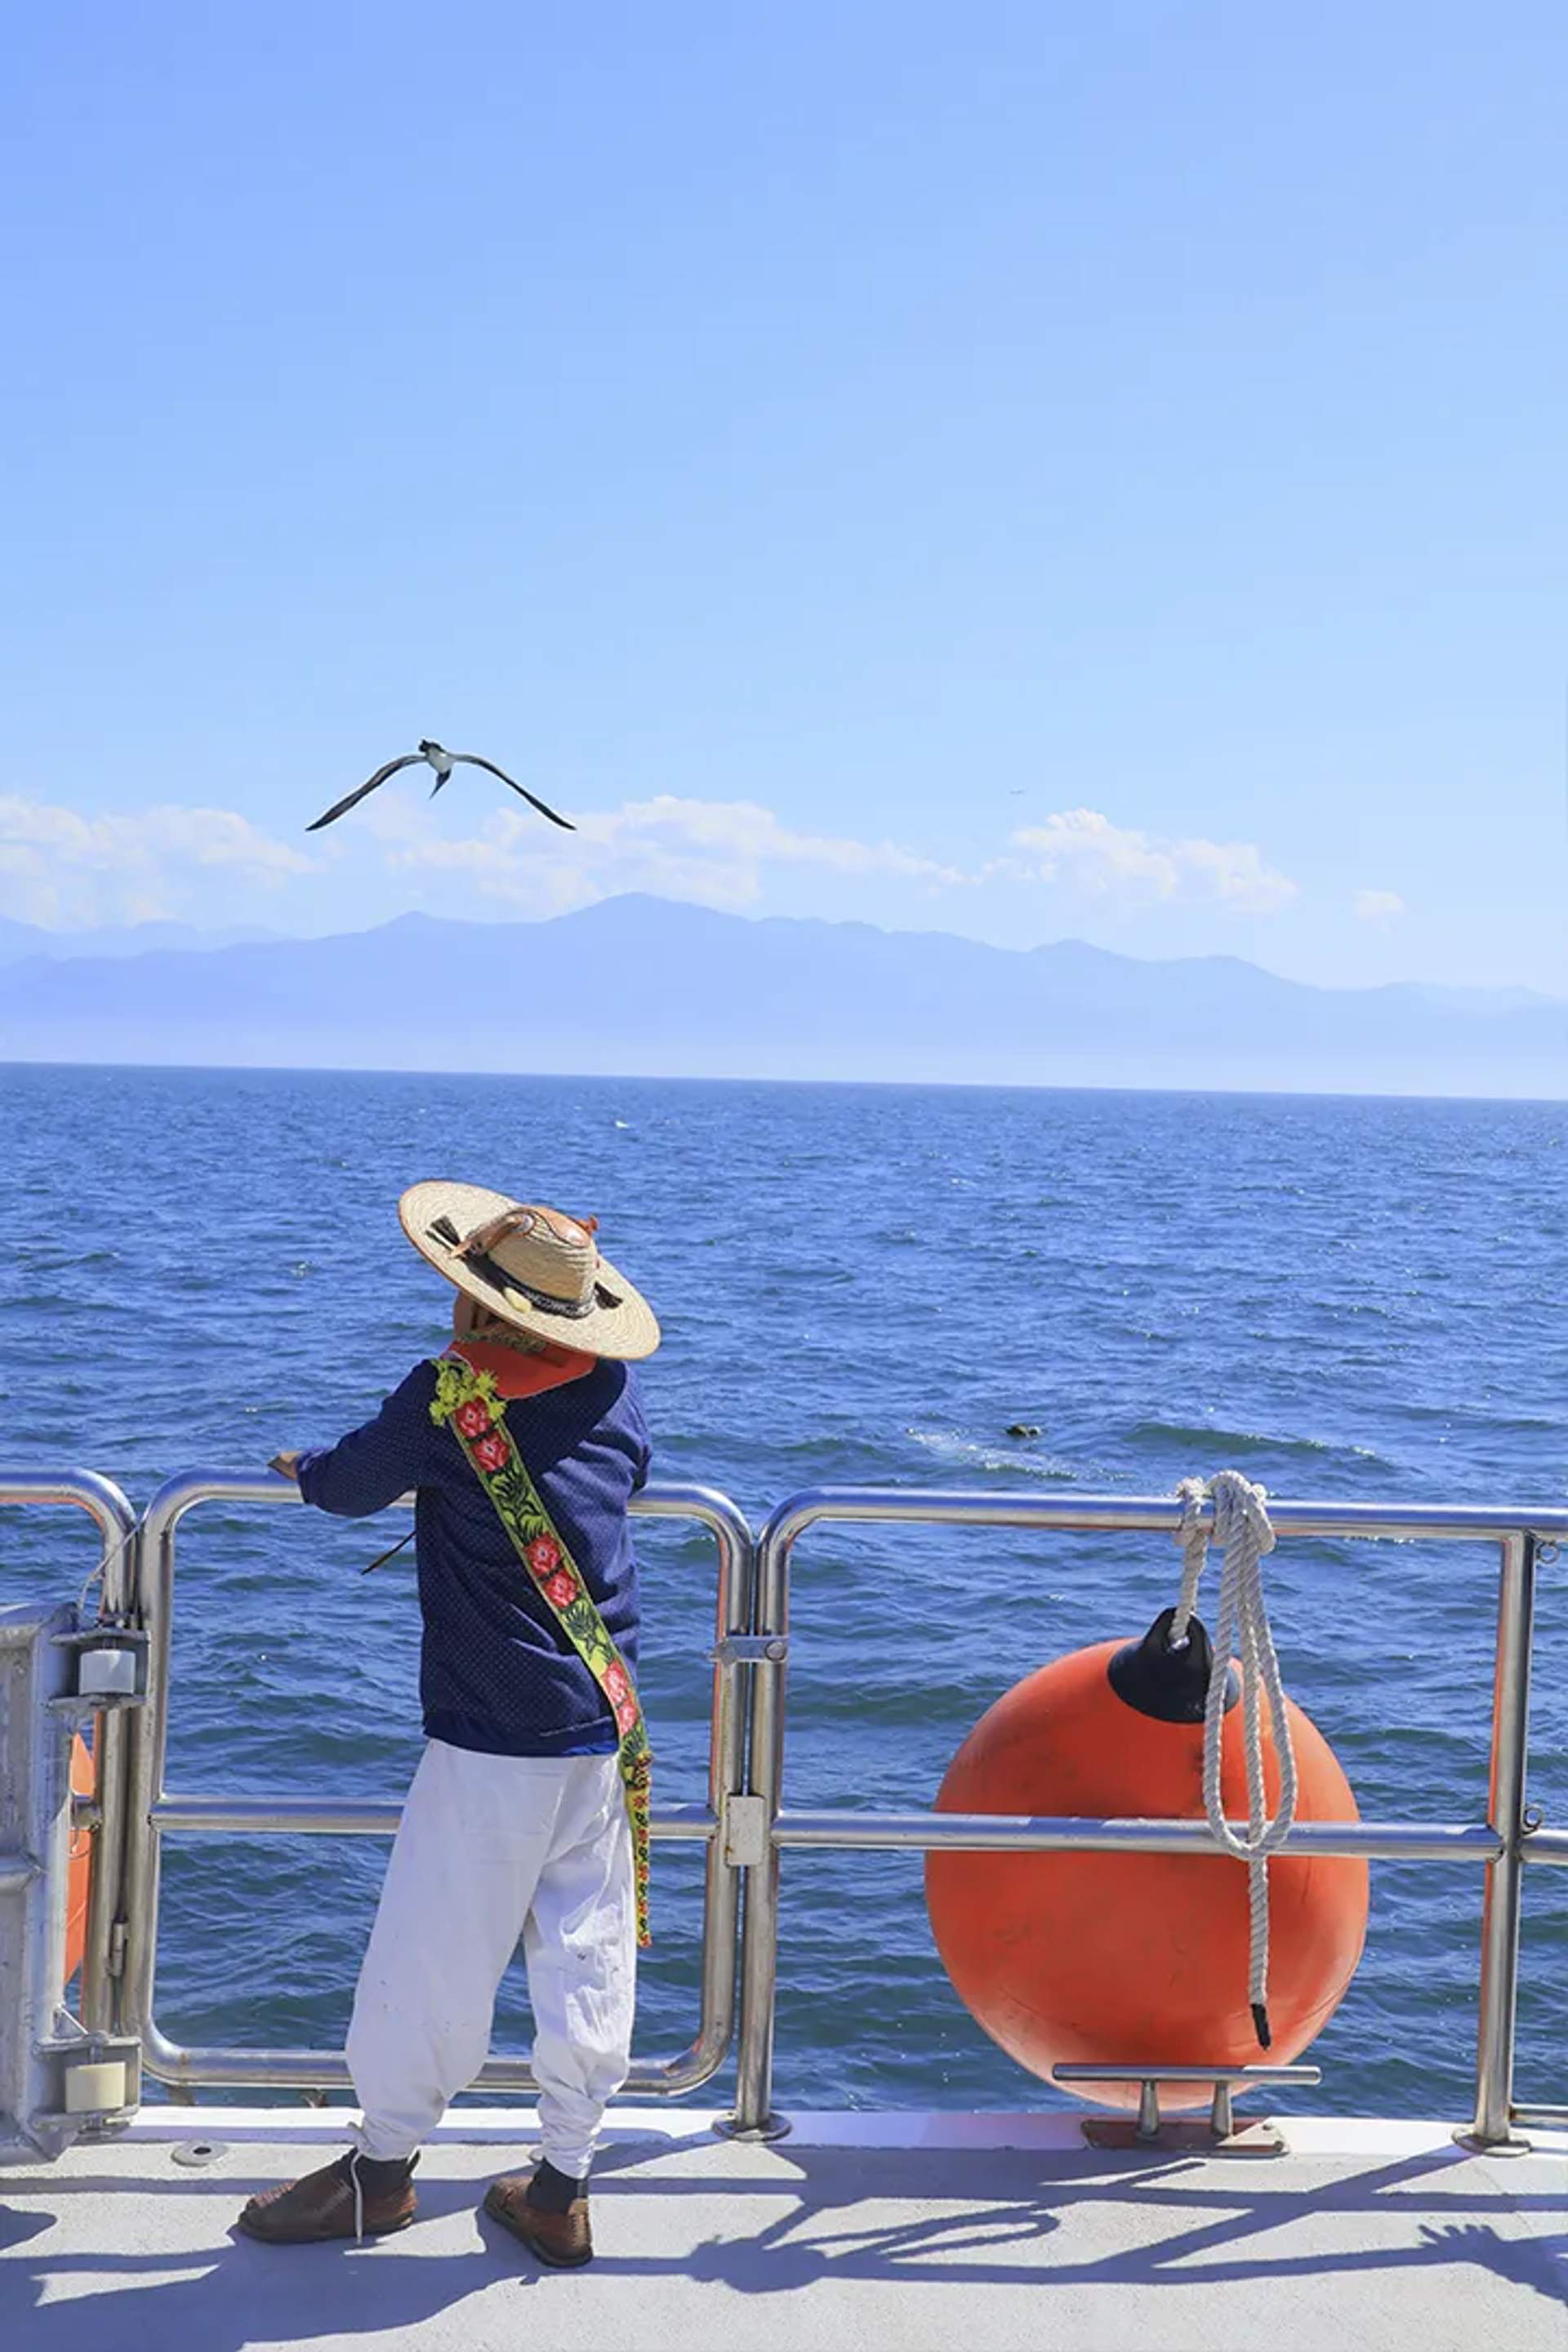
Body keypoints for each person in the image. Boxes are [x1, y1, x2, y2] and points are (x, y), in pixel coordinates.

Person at [236, 1182, 659, 2266]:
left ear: (480, 1309)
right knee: (587, 1952)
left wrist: (305, 1469)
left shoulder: (448, 1395)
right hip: (601, 1717)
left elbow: (346, 1488)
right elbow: (622, 1477)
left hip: (492, 1734)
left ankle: (378, 2177)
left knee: (430, 1959)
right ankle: (560, 2185)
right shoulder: (610, 1389)